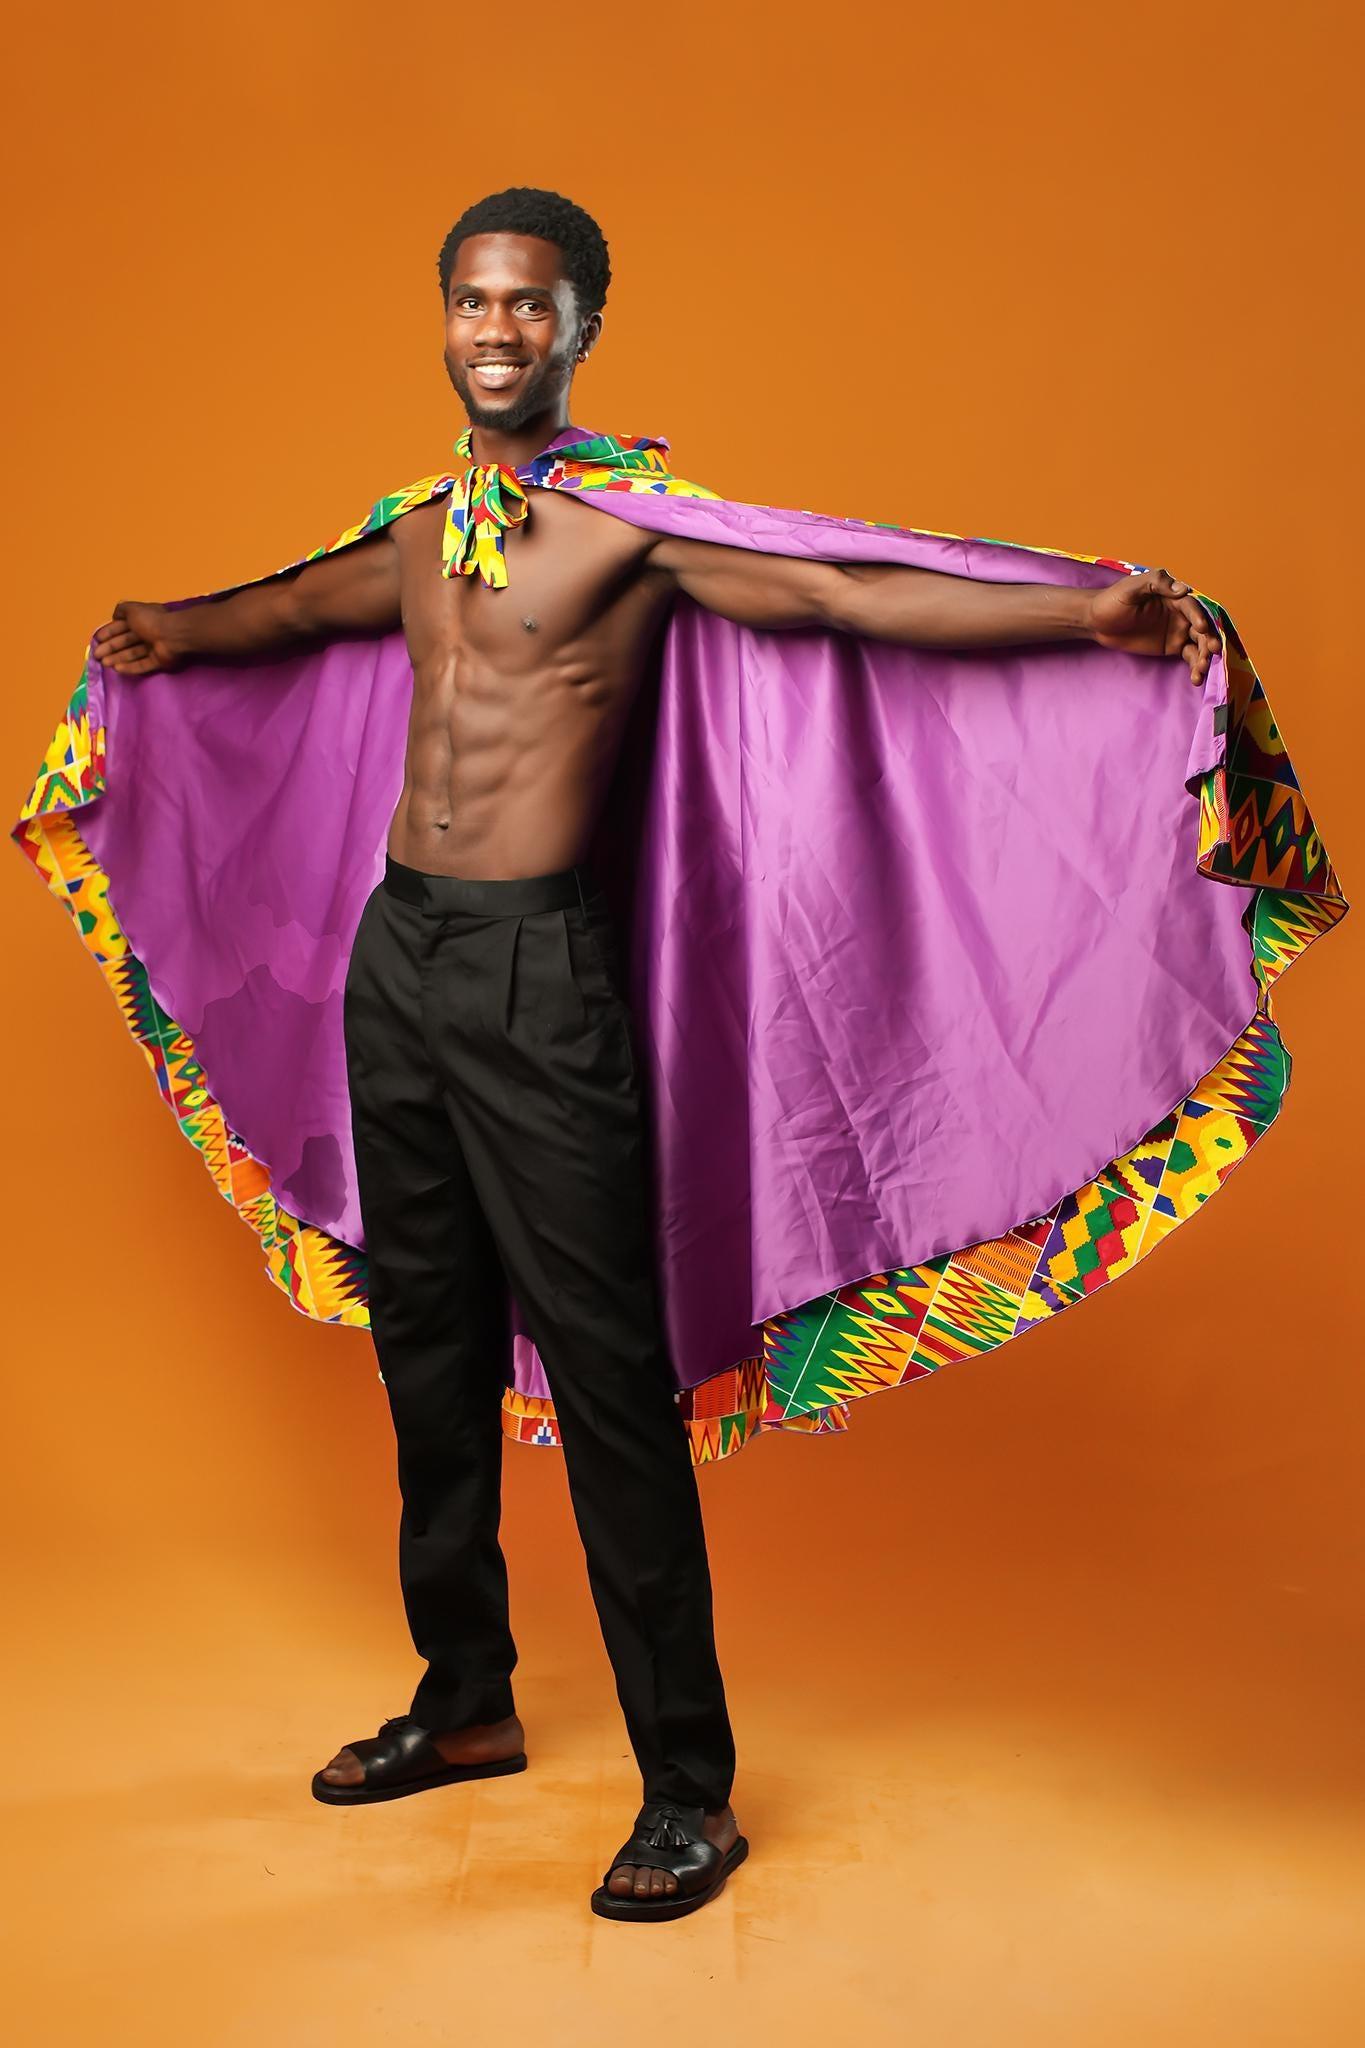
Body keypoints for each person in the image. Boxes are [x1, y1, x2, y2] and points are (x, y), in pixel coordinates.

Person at [86, 187, 1223, 1922]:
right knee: (426, 1348)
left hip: (544, 978)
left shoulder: (626, 536)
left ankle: (686, 1787)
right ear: (443, 317)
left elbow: (846, 598)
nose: (496, 330)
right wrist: (165, 629)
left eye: (530, 305)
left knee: (612, 1384)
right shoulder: (417, 532)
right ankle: (463, 1701)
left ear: (583, 326)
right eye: (472, 300)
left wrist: (1080, 621)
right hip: (399, 966)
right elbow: (288, 615)